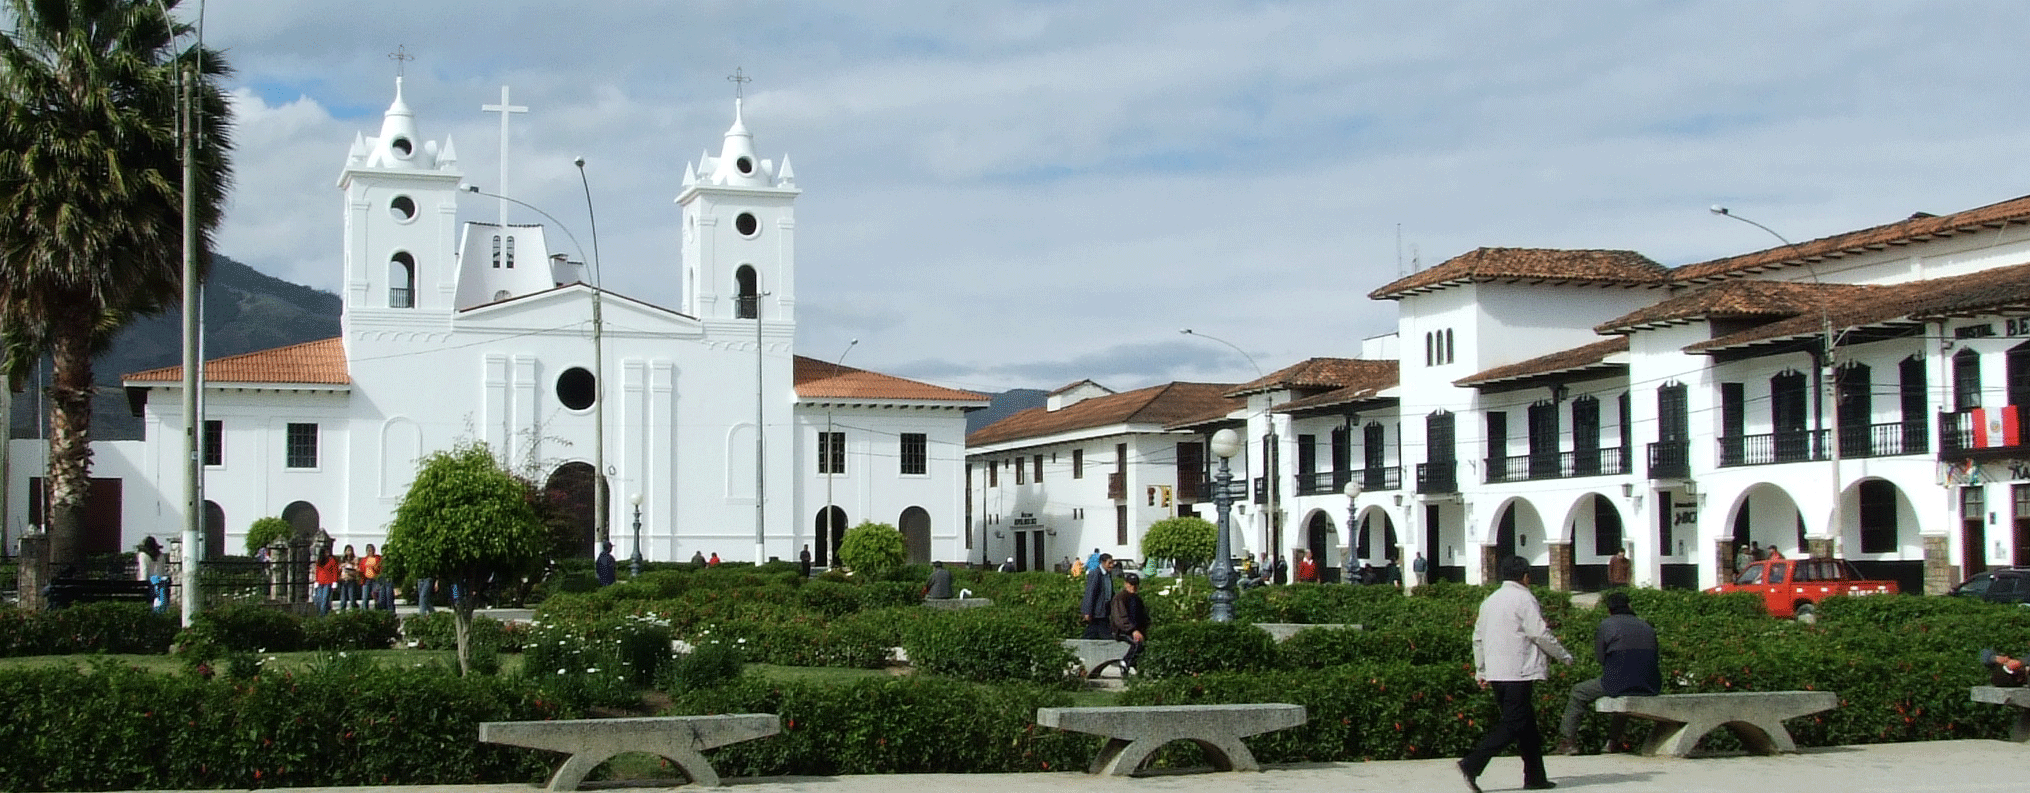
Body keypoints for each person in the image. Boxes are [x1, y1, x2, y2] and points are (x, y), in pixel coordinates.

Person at [1460, 555, 1574, 793]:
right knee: (1514, 724)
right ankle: (1471, 764)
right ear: (1525, 576)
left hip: (1496, 672)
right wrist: (1563, 656)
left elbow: (1478, 637)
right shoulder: (1524, 599)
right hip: (1518, 672)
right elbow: (1540, 633)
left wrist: (1481, 669)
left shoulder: (1489, 601)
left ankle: (1535, 777)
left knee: (1527, 727)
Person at [1554, 591, 1660, 755]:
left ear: (1609, 609)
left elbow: (1601, 658)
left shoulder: (1607, 625)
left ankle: (1568, 742)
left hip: (1617, 682)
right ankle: (1612, 742)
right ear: (1629, 606)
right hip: (1650, 684)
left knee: (1578, 692)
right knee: (1625, 693)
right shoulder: (1646, 625)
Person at [1110, 571, 1151, 673]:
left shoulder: (1137, 599)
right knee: (1138, 643)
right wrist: (1133, 630)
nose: (1133, 587)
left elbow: (1143, 617)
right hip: (1122, 631)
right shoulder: (1120, 598)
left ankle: (1138, 667)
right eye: (1131, 584)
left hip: (1135, 630)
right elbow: (1120, 619)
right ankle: (1125, 662)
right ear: (1126, 584)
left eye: (1135, 584)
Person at [1080, 553, 1115, 639]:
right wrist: (1088, 612)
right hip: (1097, 610)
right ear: (1103, 562)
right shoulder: (1096, 573)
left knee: (1093, 632)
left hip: (1105, 609)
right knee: (1103, 633)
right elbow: (1090, 593)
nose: (1112, 565)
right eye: (1109, 563)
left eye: (1112, 563)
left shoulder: (1107, 575)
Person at [136, 537, 169, 614]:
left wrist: (141, 587)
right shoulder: (161, 556)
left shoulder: (143, 555)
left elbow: (144, 573)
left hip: (148, 589)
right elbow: (162, 573)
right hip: (160, 588)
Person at [312, 545, 340, 616]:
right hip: (320, 582)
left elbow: (334, 572)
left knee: (325, 600)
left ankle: (323, 615)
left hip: (328, 582)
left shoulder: (332, 560)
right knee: (318, 600)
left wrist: (334, 582)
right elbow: (317, 571)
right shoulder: (319, 561)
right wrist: (316, 581)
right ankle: (320, 613)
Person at [360, 543, 385, 609]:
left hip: (375, 579)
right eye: (369, 550)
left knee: (376, 596)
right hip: (366, 579)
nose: (371, 552)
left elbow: (380, 568)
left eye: (372, 550)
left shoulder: (378, 558)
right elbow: (361, 569)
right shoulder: (364, 560)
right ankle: (364, 611)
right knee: (365, 597)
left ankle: (378, 609)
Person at [338, 545, 361, 610]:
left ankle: (355, 611)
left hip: (351, 580)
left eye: (350, 550)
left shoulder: (355, 559)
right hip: (344, 580)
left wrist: (350, 568)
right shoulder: (343, 560)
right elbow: (339, 569)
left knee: (352, 598)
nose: (349, 552)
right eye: (347, 550)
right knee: (343, 599)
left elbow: (357, 570)